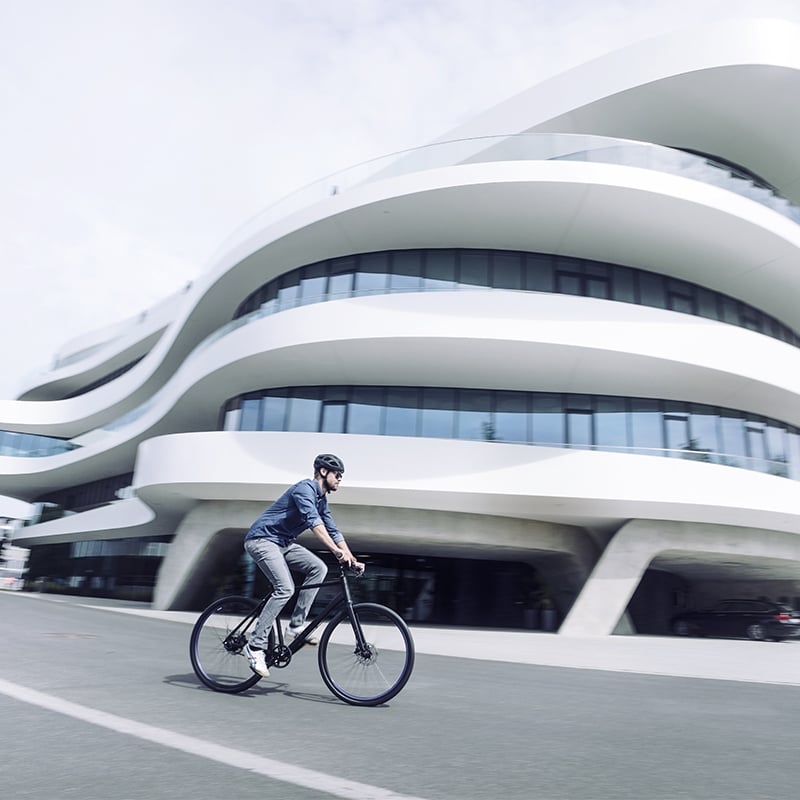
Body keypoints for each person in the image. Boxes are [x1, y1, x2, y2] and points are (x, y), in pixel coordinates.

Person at [242, 453, 363, 678]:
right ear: (324, 472)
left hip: (283, 544)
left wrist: (352, 558)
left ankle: (296, 626)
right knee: (285, 589)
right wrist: (336, 552)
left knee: (319, 568)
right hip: (262, 540)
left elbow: (333, 530)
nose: (340, 480)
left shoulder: (321, 500)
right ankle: (255, 646)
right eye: (338, 475)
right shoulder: (304, 489)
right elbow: (313, 523)